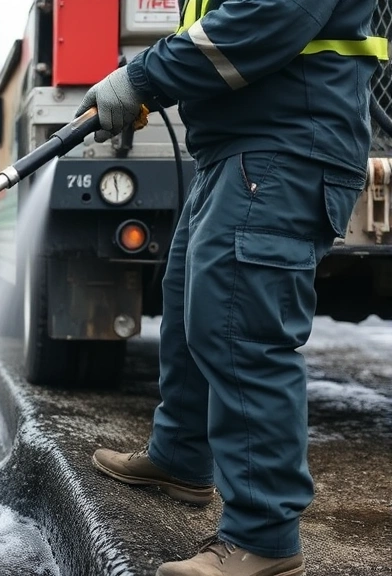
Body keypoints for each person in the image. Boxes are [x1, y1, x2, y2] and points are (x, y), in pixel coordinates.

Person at [75, 1, 387, 575]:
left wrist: (144, 78)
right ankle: (180, 459)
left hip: (285, 143)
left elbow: (264, 19)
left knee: (242, 327)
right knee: (192, 298)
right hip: (237, 145)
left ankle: (263, 538)